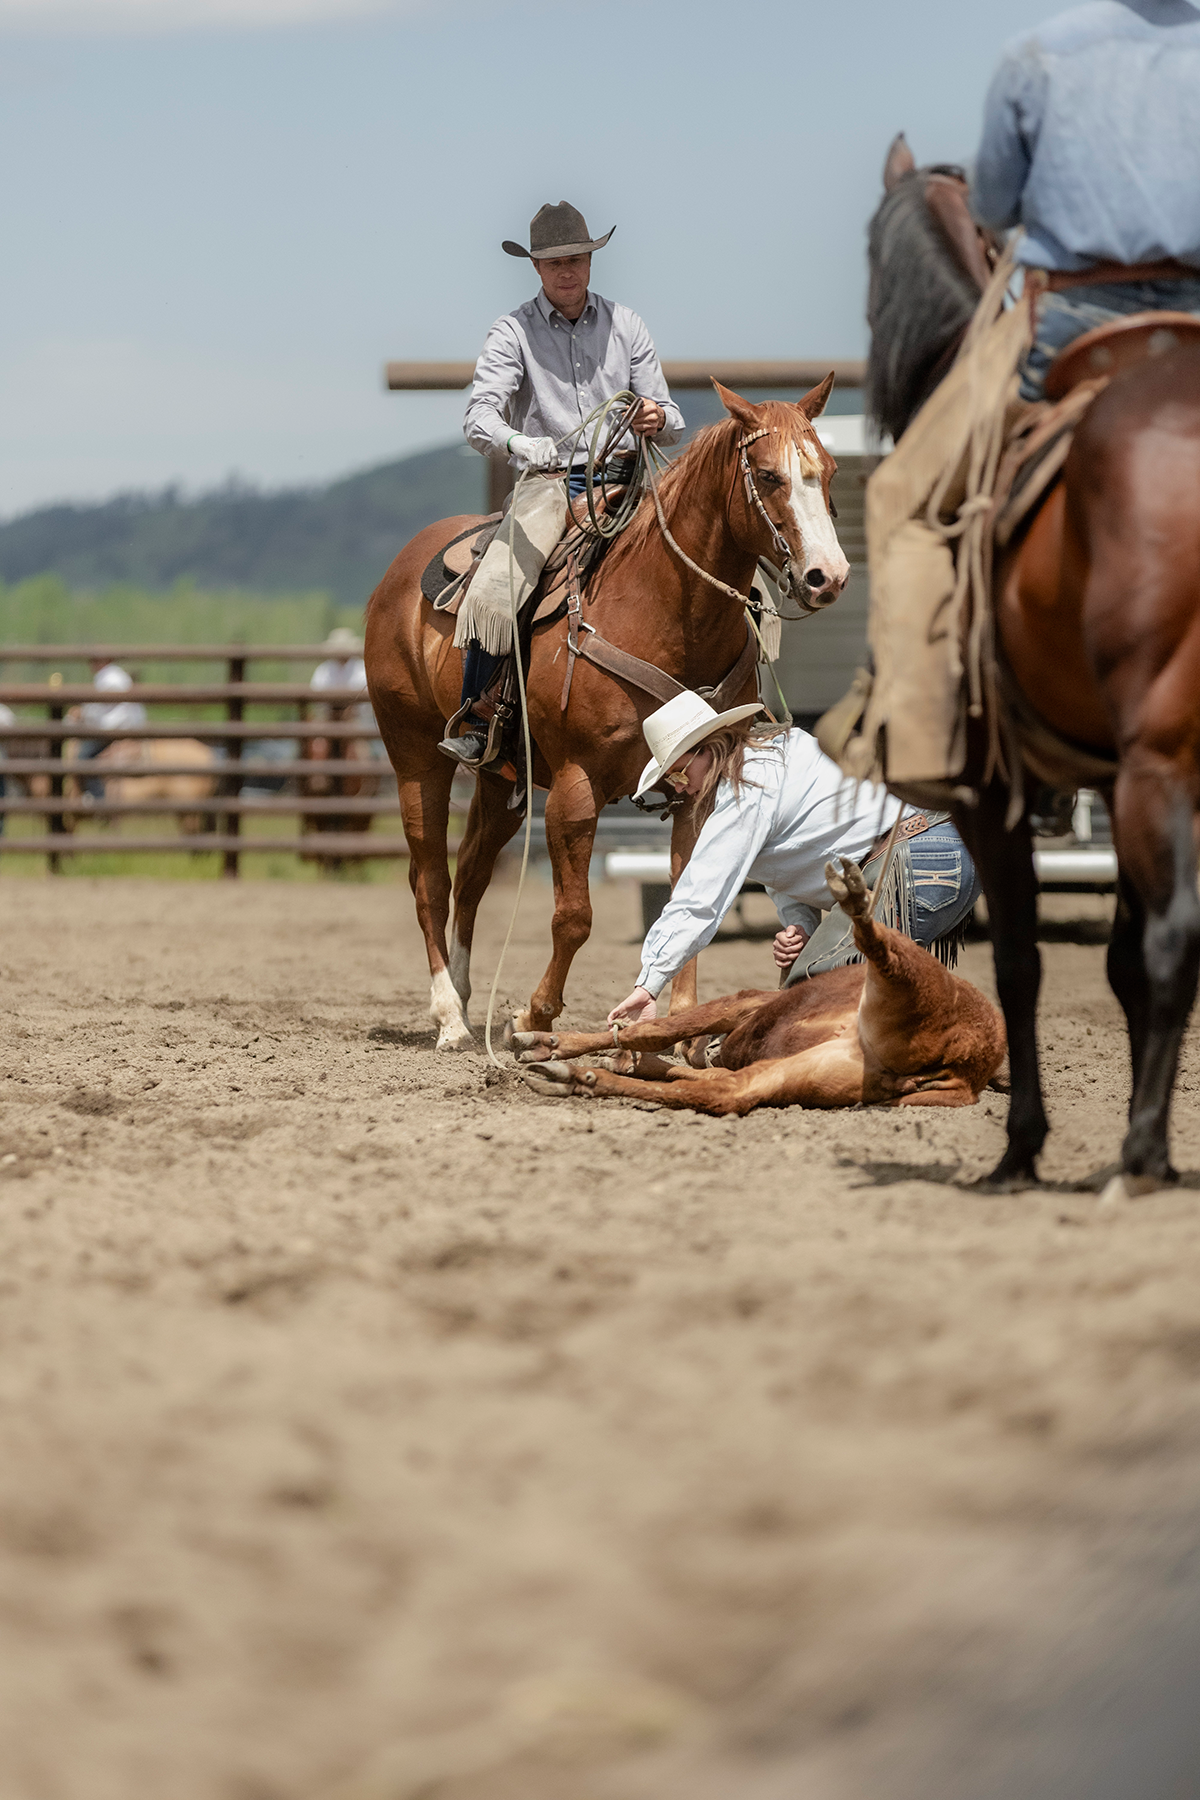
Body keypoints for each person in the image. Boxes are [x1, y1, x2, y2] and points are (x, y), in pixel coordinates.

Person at [442, 200, 685, 768]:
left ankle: (730, 698)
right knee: (499, 583)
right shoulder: (513, 332)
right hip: (552, 482)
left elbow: (671, 417)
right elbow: (479, 417)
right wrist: (519, 442)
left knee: (718, 554)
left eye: (576, 259)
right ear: (536, 269)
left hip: (631, 474)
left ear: (591, 261)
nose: (567, 271)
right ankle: (478, 714)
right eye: (554, 263)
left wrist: (654, 416)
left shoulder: (628, 325)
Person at [607, 692, 981, 1026]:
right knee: (825, 1002)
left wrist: (649, 983)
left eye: (677, 772)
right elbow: (791, 862)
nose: (680, 787)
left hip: (914, 861)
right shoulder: (766, 759)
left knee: (807, 1001)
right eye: (670, 782)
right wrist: (800, 926)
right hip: (934, 852)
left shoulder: (745, 788)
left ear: (709, 748)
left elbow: (698, 901)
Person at [972, 0, 1200, 401]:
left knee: (987, 451)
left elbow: (993, 208)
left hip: (1075, 320)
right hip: (1193, 311)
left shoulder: (1033, 55)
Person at [76, 659, 148, 799]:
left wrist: (83, 714)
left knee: (84, 756)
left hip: (117, 726)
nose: (91, 664)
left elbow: (99, 708)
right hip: (126, 723)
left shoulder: (109, 679)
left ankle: (97, 797)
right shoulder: (114, 675)